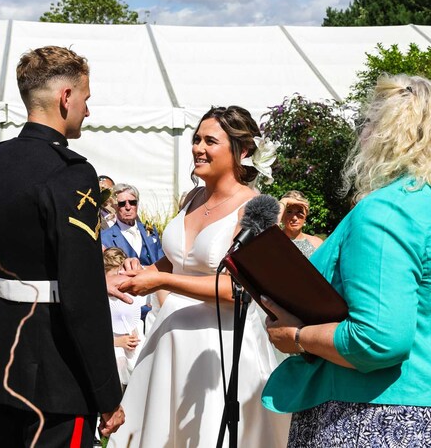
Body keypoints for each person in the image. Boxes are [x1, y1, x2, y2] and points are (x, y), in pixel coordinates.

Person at [262, 74, 431, 447]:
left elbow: (377, 340)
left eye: (366, 123)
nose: (361, 134)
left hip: (394, 417)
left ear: (387, 133)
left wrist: (297, 337)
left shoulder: (384, 211)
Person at [0, 46, 124, 447]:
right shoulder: (70, 173)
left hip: (2, 351)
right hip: (56, 371)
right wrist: (107, 392)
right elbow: (82, 290)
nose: (87, 112)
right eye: (86, 100)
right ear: (66, 97)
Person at [109, 105, 290, 448]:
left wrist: (162, 282)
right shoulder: (192, 198)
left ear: (243, 151)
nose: (197, 148)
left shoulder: (255, 208)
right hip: (171, 338)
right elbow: (178, 261)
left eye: (210, 141)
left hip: (219, 347)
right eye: (196, 139)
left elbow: (240, 289)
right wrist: (143, 271)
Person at [103, 247, 146, 388]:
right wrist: (117, 341)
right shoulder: (102, 300)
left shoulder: (128, 295)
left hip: (131, 346)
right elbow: (95, 333)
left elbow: (134, 316)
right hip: (112, 347)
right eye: (114, 276)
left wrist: (133, 330)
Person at [101, 183, 165, 266]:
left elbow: (161, 259)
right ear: (115, 206)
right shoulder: (105, 237)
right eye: (122, 203)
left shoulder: (149, 229)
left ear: (137, 204)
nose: (128, 207)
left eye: (132, 202)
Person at [278, 191, 322, 258]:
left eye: (300, 212)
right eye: (289, 212)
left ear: (306, 215)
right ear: (282, 215)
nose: (294, 218)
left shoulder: (317, 244)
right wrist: (284, 201)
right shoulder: (274, 240)